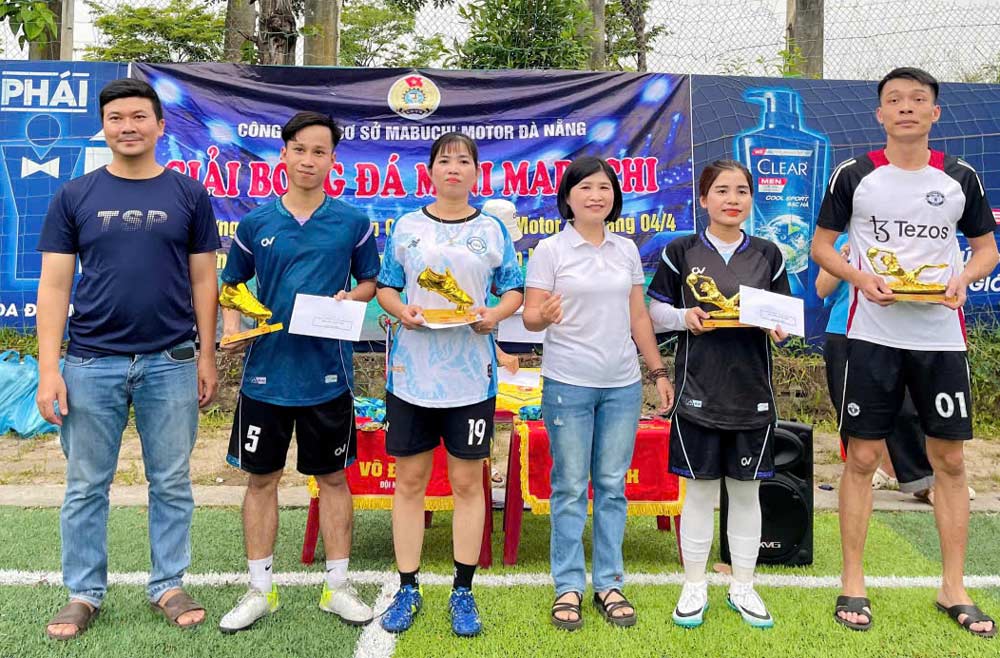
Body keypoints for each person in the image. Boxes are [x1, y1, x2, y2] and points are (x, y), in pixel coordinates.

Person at [812, 67, 998, 638]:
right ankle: (853, 582)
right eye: (895, 100)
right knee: (863, 459)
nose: (907, 108)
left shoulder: (961, 177)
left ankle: (954, 587)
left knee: (950, 462)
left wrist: (965, 276)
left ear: (936, 113)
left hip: (940, 339)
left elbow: (987, 249)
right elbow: (821, 245)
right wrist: (858, 278)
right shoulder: (857, 174)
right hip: (872, 336)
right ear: (880, 114)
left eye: (919, 100)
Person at [35, 78, 219, 640]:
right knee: (87, 485)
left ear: (161, 126)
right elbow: (54, 285)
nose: (128, 127)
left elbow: (204, 278)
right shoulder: (75, 195)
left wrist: (206, 355)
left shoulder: (188, 194)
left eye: (139, 117)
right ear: (104, 127)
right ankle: (83, 592)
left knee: (171, 481)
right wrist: (49, 369)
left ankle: (168, 582)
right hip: (91, 363)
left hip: (171, 360)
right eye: (116, 118)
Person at [217, 112, 380, 633]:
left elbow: (370, 284)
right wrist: (233, 327)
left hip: (327, 375)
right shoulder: (256, 224)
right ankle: (260, 589)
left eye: (320, 152)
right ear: (284, 155)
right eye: (300, 150)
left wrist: (347, 297)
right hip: (266, 373)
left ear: (333, 160)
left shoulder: (353, 223)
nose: (309, 160)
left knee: (332, 478)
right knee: (261, 478)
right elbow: (232, 286)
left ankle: (338, 586)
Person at [375, 132, 524, 637]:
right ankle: (408, 587)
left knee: (466, 484)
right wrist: (402, 311)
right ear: (431, 171)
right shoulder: (406, 226)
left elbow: (513, 289)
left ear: (477, 172)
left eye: (464, 161)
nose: (453, 168)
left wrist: (493, 316)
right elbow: (387, 287)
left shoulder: (493, 229)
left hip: (470, 380)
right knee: (411, 483)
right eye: (444, 161)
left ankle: (463, 590)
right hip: (411, 376)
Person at [522, 156, 673, 630]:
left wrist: (657, 371)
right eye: (585, 187)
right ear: (567, 196)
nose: (596, 195)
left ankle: (609, 581)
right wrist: (543, 316)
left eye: (605, 187)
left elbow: (639, 317)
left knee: (611, 486)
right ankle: (568, 585)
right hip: (568, 382)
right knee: (569, 486)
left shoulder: (626, 249)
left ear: (615, 197)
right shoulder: (549, 250)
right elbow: (529, 317)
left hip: (623, 385)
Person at [647, 160, 789, 630]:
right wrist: (684, 317)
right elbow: (653, 309)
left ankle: (743, 585)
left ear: (751, 200)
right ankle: (694, 585)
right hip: (697, 393)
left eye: (742, 191)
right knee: (700, 491)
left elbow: (785, 323)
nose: (733, 198)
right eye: (722, 190)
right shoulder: (680, 251)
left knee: (747, 493)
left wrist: (779, 328)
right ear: (703, 199)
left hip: (753, 395)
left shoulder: (770, 254)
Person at [816, 236, 938, 499]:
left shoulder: (903, 242)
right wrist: (842, 260)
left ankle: (921, 481)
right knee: (854, 412)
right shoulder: (841, 241)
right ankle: (871, 473)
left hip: (893, 333)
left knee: (906, 409)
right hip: (845, 331)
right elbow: (821, 289)